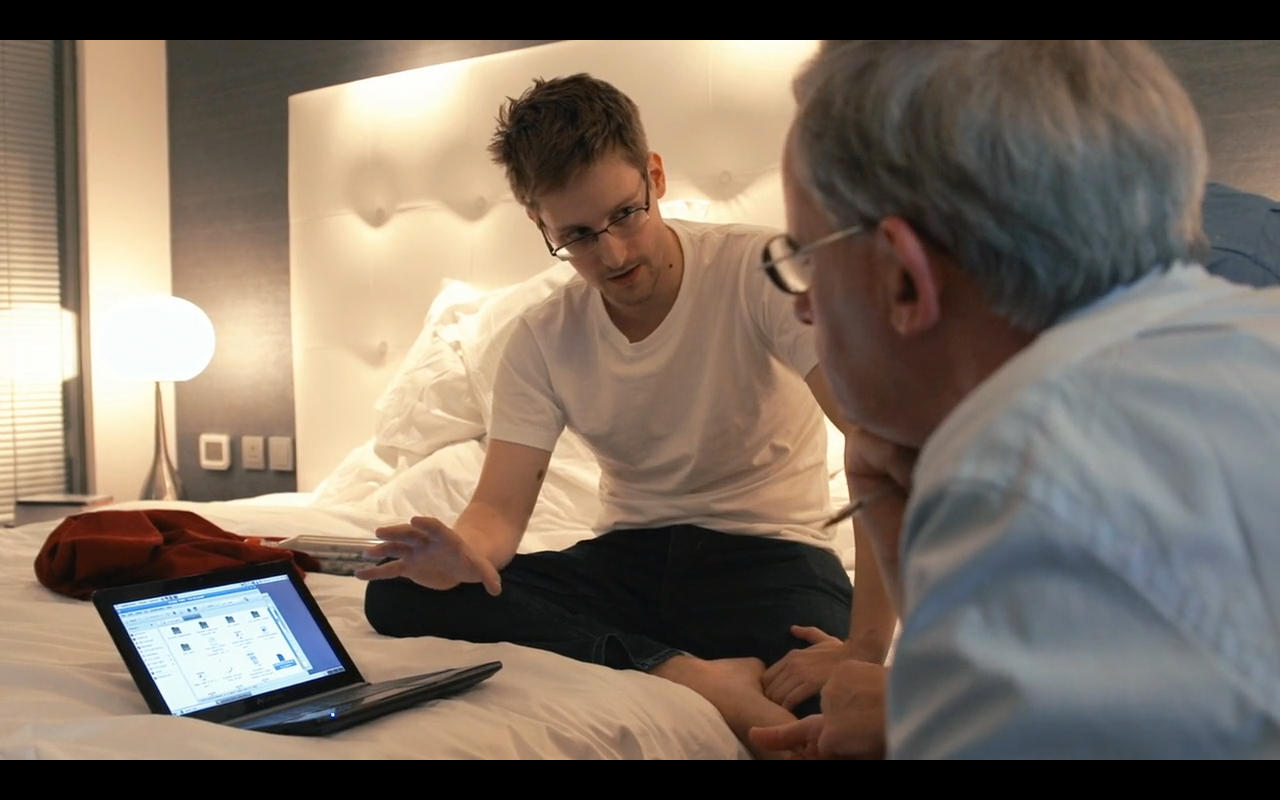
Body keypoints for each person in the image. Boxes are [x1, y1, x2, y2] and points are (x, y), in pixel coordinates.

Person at [749, 40, 1280, 758]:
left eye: (807, 257)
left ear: (902, 277)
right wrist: (923, 688)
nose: (804, 305)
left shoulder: (1019, 475)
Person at [355, 72, 896, 757]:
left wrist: (866, 647)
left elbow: (876, 442)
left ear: (655, 176)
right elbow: (497, 511)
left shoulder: (760, 271)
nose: (612, 254)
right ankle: (687, 673)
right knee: (399, 597)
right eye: (577, 235)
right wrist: (461, 553)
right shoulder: (541, 337)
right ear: (540, 223)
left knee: (832, 720)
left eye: (626, 215)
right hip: (628, 565)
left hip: (771, 560)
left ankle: (655, 657)